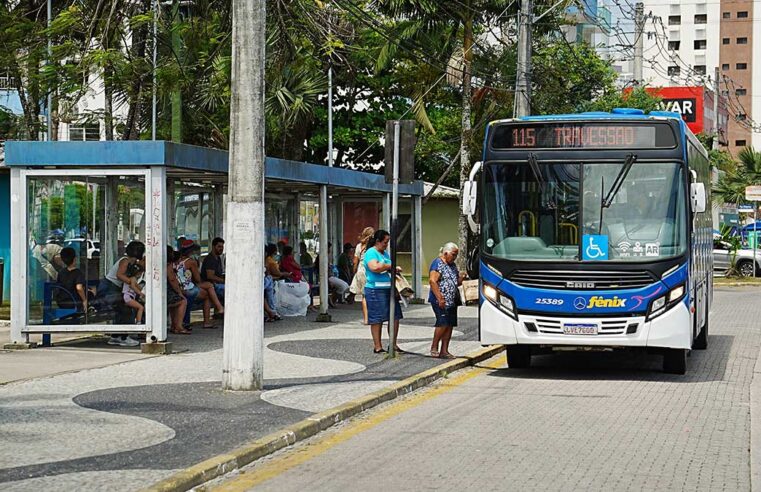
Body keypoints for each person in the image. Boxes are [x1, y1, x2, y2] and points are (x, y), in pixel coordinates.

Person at [99, 241, 145, 346]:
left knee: (122, 308)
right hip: (110, 288)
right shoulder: (125, 261)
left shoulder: (131, 261)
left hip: (112, 288)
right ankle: (124, 337)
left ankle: (116, 336)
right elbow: (120, 275)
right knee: (125, 308)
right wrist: (131, 283)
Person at [364, 229, 403, 354]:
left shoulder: (385, 254)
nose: (386, 245)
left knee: (395, 316)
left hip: (389, 287)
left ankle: (393, 343)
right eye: (385, 242)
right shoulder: (371, 252)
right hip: (375, 288)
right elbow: (375, 267)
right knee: (377, 318)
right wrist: (390, 266)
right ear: (378, 241)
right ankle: (378, 345)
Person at [428, 242, 466, 359]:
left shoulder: (452, 265)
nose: (454, 257)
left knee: (449, 325)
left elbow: (455, 282)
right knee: (442, 323)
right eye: (453, 255)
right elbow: (432, 281)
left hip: (452, 300)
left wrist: (461, 278)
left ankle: (444, 350)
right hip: (441, 299)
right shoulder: (438, 263)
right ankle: (434, 347)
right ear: (446, 253)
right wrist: (440, 298)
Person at [176, 240, 225, 329]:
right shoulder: (191, 262)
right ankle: (218, 309)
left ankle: (217, 310)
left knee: (208, 290)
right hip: (187, 287)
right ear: (191, 251)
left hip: (180, 286)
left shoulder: (178, 260)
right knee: (209, 288)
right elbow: (198, 279)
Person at [349, 227, 375, 323]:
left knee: (364, 296)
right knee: (372, 294)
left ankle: (366, 319)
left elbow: (355, 261)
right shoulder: (374, 246)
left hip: (361, 270)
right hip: (370, 270)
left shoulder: (359, 246)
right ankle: (373, 317)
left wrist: (354, 271)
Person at [55, 247, 88, 312]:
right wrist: (84, 300)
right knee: (91, 293)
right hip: (73, 301)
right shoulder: (78, 273)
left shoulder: (61, 272)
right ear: (74, 259)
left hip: (61, 302)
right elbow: (79, 288)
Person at [167, 246, 190, 335]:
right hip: (166, 293)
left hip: (163, 292)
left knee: (174, 304)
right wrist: (180, 293)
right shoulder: (168, 265)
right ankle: (179, 326)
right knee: (183, 301)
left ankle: (174, 325)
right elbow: (172, 280)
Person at [201, 237, 225, 306]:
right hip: (212, 285)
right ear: (213, 246)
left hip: (217, 284)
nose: (221, 249)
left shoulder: (218, 258)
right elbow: (210, 275)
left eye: (222, 247)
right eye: (219, 246)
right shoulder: (210, 259)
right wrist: (223, 280)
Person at [122, 259, 146, 325]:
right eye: (140, 274)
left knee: (137, 308)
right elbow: (132, 286)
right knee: (140, 307)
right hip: (128, 297)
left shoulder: (132, 279)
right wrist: (140, 293)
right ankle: (138, 322)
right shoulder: (133, 279)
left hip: (130, 296)